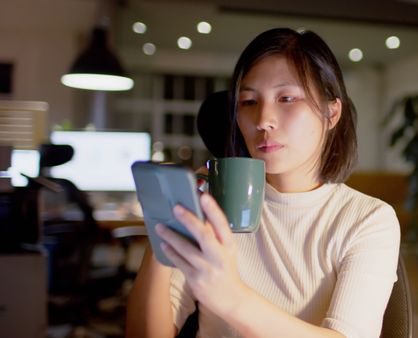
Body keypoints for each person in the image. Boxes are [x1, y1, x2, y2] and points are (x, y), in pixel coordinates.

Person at [126, 27, 400, 338]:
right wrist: (163, 227)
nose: (263, 119)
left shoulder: (367, 219)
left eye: (286, 98)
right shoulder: (212, 209)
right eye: (248, 102)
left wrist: (230, 297)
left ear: (331, 111)